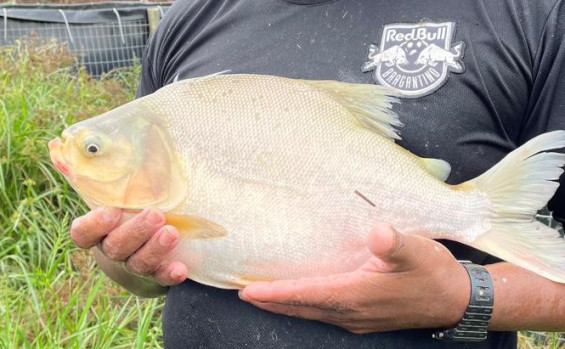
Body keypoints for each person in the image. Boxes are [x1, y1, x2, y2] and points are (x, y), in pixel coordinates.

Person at [70, 0, 565, 348]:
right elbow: (144, 273)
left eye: (94, 148)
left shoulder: (525, 14)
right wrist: (125, 259)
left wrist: (461, 297)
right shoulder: (187, 21)